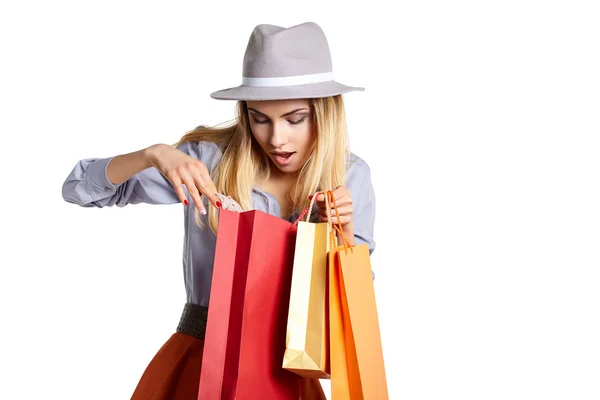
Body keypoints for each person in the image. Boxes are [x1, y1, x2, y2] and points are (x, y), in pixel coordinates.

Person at [61, 21, 376, 400]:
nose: (276, 138)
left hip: (289, 373)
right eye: (260, 119)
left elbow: (347, 308)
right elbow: (79, 189)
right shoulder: (209, 161)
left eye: (295, 120)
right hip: (201, 362)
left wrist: (341, 231)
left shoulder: (349, 175)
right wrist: (152, 154)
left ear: (324, 113)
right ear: (245, 114)